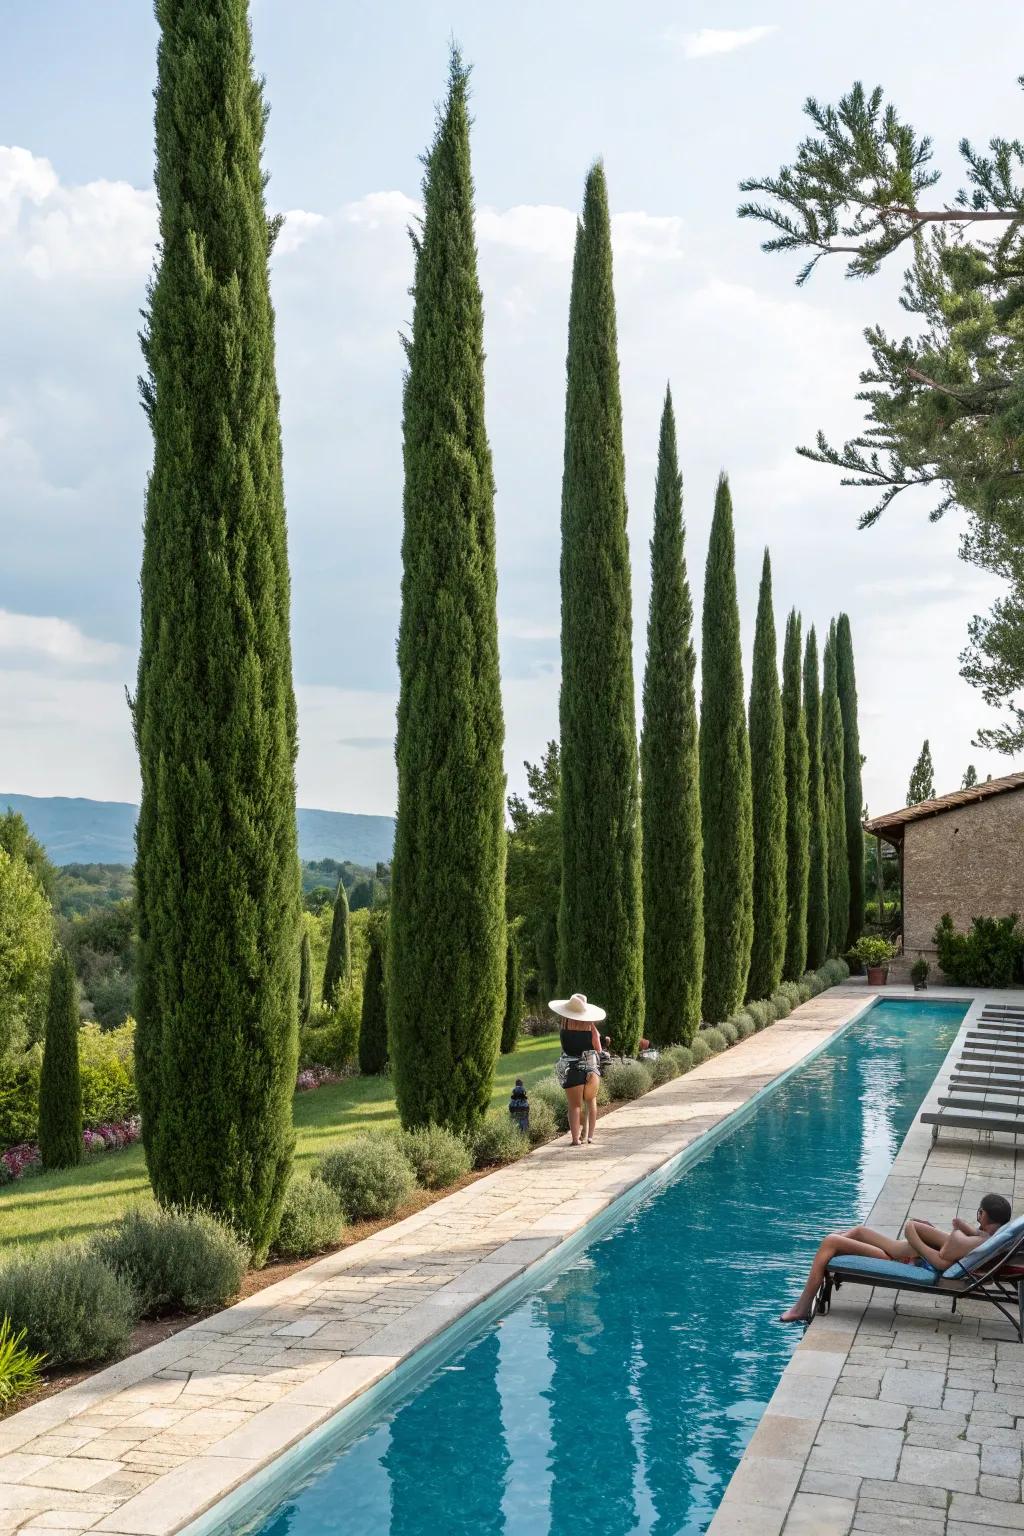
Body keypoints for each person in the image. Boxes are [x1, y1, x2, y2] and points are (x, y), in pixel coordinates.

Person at [779, 1192, 1012, 1323]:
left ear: (984, 1215)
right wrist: (959, 1229)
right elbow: (952, 1247)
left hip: (902, 1261)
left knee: (831, 1241)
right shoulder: (986, 1238)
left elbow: (943, 1258)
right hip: (903, 1253)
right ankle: (827, 1265)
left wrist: (919, 1236)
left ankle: (803, 1305)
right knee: (858, 1231)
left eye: (979, 1213)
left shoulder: (977, 1242)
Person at [550, 992, 605, 1147]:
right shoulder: (590, 1027)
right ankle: (590, 1136)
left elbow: (565, 1048)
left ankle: (575, 1139)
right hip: (590, 1067)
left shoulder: (564, 1025)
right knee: (591, 1102)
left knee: (574, 1106)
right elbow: (598, 1048)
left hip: (571, 1069)